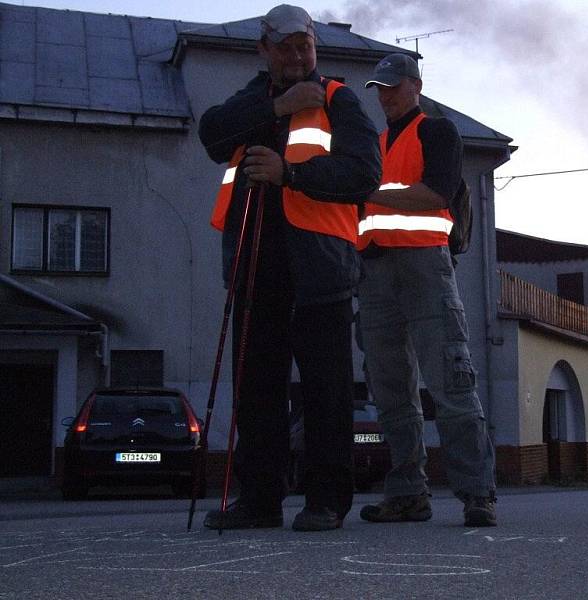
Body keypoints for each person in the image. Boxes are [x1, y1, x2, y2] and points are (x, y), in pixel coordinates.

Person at [198, 4, 380, 531]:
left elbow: (364, 172)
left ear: (314, 48)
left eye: (306, 45)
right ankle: (259, 500)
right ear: (265, 49)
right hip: (255, 266)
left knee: (326, 390)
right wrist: (279, 106)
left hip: (321, 270)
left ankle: (326, 501)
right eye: (287, 46)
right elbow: (212, 135)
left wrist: (290, 173)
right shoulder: (255, 99)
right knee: (256, 389)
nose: (299, 55)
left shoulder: (340, 100)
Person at [356, 54, 497, 527]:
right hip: (375, 272)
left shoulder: (437, 131)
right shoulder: (374, 144)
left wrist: (365, 191)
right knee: (391, 391)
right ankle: (408, 494)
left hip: (424, 266)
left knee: (451, 382)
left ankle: (477, 493)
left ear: (416, 85)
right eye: (379, 87)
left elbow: (437, 192)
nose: (385, 95)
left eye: (393, 86)